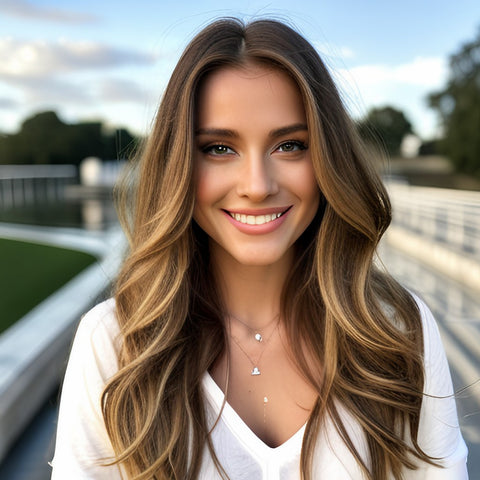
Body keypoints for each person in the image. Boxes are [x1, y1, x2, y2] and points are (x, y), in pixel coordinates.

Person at [51, 18, 468, 480]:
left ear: (328, 157)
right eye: (219, 149)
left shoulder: (396, 329)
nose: (257, 186)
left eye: (290, 145)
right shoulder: (114, 344)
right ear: (179, 164)